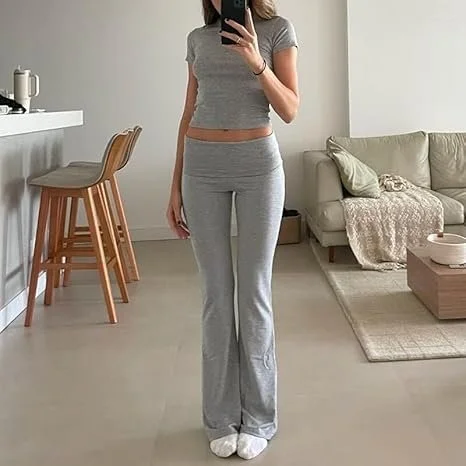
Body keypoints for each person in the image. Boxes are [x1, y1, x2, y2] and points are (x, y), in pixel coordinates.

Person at [167, 0, 299, 460]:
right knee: (216, 297)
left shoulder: (277, 30)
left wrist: (256, 61)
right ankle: (221, 418)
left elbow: (290, 109)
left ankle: (259, 418)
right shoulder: (198, 39)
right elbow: (188, 112)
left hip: (259, 167)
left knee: (254, 294)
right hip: (201, 168)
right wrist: (174, 185)